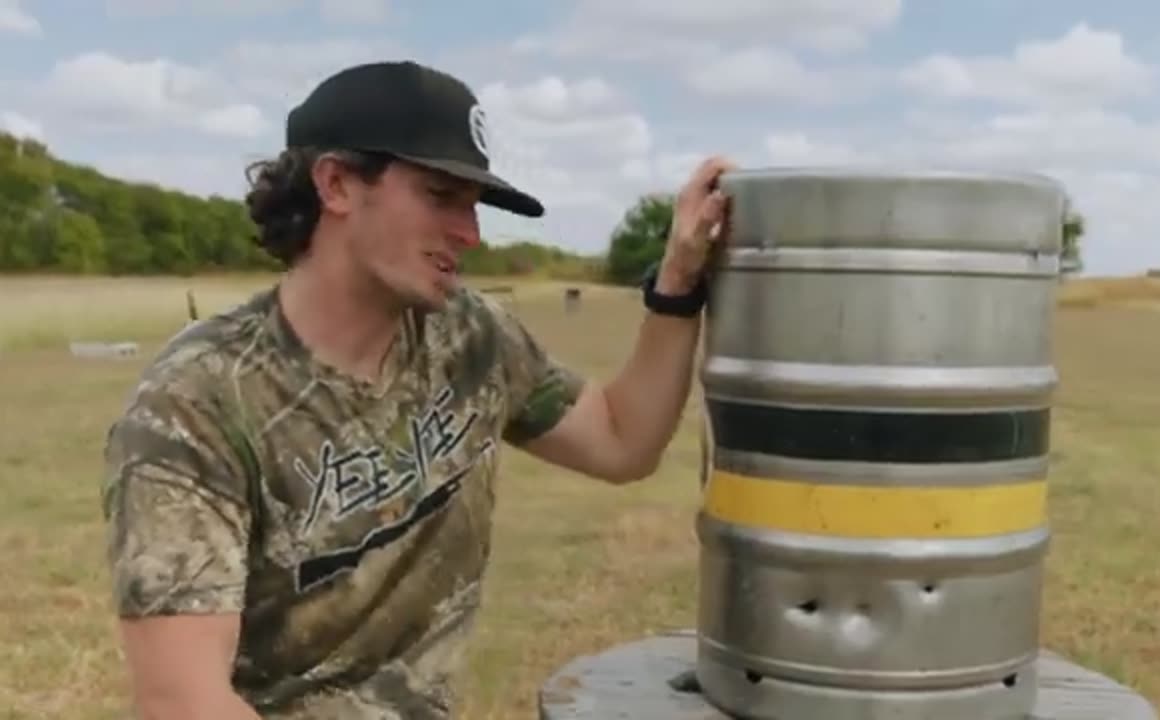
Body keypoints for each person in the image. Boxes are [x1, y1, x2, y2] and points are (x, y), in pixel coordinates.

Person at [100, 60, 733, 719]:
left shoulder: (469, 338)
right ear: (337, 184)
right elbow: (183, 701)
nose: (472, 234)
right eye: (441, 196)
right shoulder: (197, 403)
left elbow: (620, 440)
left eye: (473, 205)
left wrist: (679, 277)